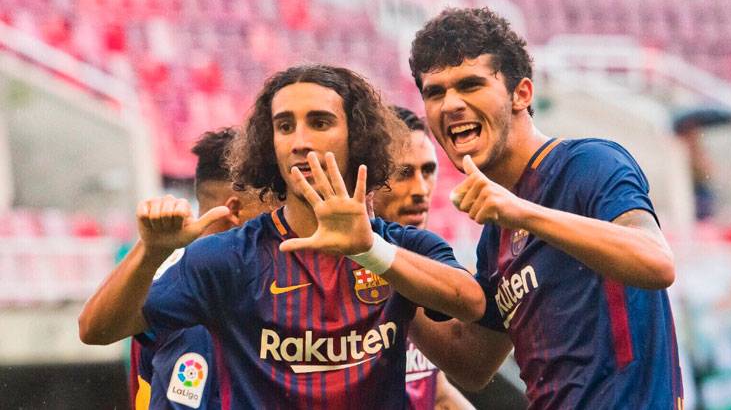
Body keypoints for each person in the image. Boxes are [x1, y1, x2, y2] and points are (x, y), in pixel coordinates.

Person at [79, 64, 485, 409]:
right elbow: (96, 331)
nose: (300, 141)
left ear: (358, 137)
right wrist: (150, 252)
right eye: (284, 126)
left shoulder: (403, 247)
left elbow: (470, 303)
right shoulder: (229, 258)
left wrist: (369, 250)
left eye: (320, 122)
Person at [406, 7, 684, 409]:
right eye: (435, 92)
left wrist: (523, 212)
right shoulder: (495, 235)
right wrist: (376, 259)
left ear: (521, 94)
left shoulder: (588, 164)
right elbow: (472, 364)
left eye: (469, 85)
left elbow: (656, 262)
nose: (450, 104)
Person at [129, 127, 279, 409]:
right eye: (277, 202)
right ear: (235, 211)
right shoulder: (202, 298)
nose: (284, 220)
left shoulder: (166, 283)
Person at [372, 106, 473, 410]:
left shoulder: (431, 269)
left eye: (427, 171)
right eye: (404, 173)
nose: (421, 190)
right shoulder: (336, 277)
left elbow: (434, 390)